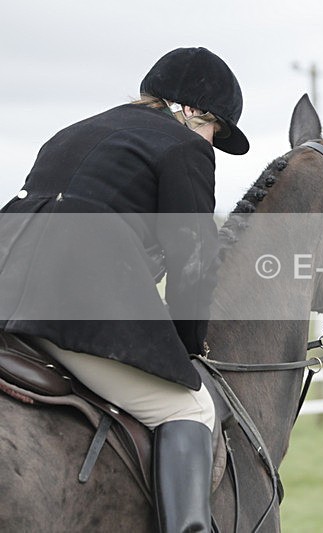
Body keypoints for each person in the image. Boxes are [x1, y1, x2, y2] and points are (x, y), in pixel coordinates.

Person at [0, 47, 249, 532]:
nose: (210, 141)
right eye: (213, 129)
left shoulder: (71, 132)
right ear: (190, 110)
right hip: (71, 305)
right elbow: (192, 262)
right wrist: (187, 350)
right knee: (191, 408)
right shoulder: (183, 147)